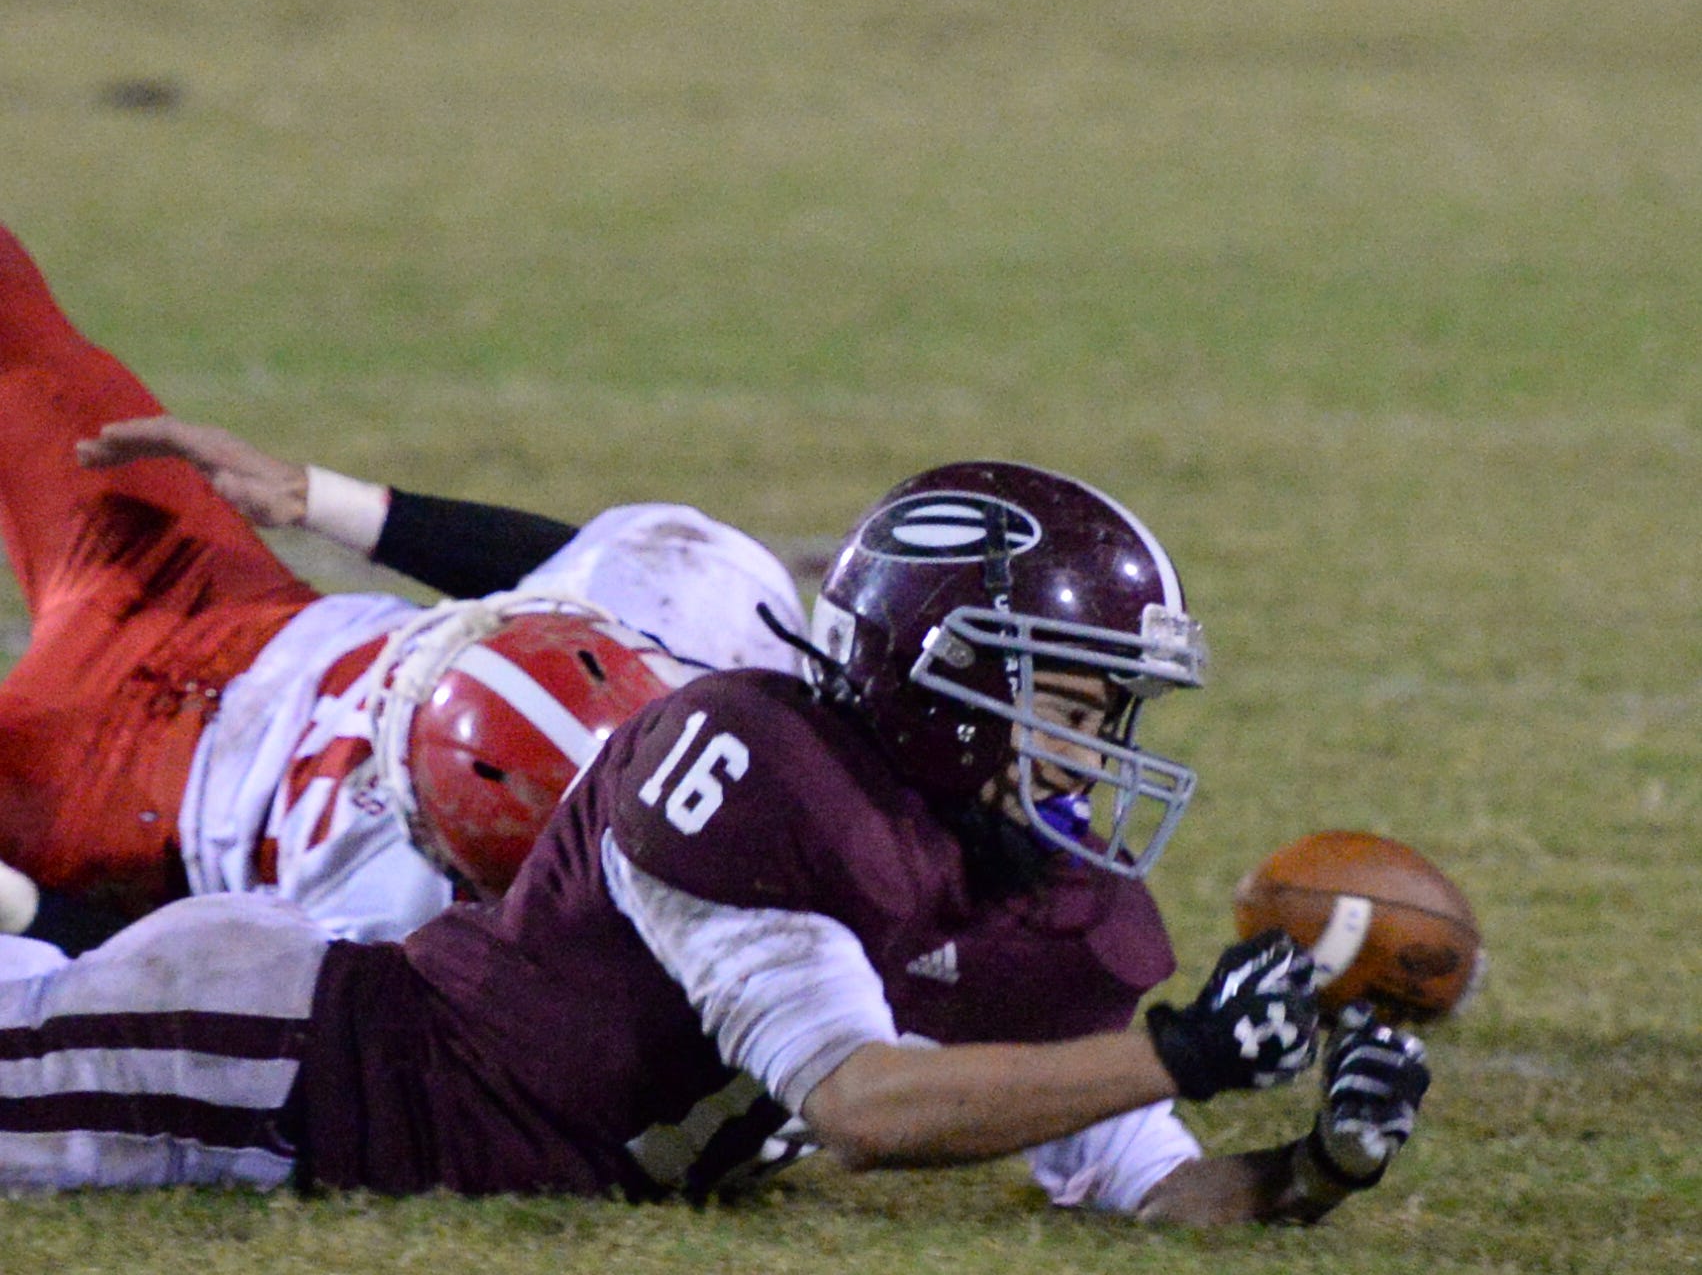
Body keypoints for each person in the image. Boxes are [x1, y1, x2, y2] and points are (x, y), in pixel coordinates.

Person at [0, 458, 1431, 1224]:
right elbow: (863, 1107)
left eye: (1110, 711)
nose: (1091, 754)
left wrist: (1314, 1168)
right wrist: (1180, 1047)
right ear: (934, 678)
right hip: (286, 1067)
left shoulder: (1011, 893)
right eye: (1063, 702)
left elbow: (1150, 1184)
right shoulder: (755, 772)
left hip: (408, 1105)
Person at [0, 222, 806, 949]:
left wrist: (20, 908)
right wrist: (318, 499)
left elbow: (156, 996)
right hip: (226, 606)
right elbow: (600, 559)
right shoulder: (722, 649)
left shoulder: (434, 958)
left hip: (120, 812)